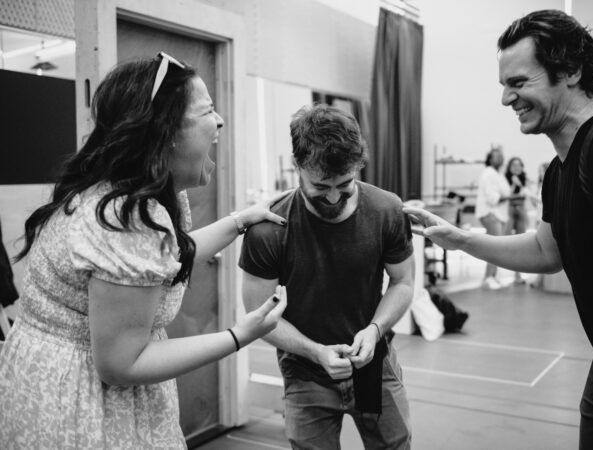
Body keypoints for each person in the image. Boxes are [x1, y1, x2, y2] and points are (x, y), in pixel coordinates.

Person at [404, 9, 593, 449]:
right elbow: (545, 252)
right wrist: (459, 238)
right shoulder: (559, 170)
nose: (506, 99)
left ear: (570, 71)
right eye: (503, 86)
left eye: (518, 83)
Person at [0, 52, 288, 449]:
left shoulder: (121, 192)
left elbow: (167, 261)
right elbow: (123, 363)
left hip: (47, 381)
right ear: (167, 132)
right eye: (208, 111)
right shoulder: (128, 219)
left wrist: (240, 221)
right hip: (83, 407)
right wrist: (242, 335)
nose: (219, 121)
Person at [239, 104, 415, 450]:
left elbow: (403, 282)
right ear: (298, 166)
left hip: (373, 366)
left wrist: (374, 329)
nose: (333, 196)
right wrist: (316, 351)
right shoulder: (268, 230)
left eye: (345, 184)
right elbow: (260, 316)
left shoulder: (387, 210)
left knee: (394, 446)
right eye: (320, 187)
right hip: (306, 373)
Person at [475, 145, 523, 289]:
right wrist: (515, 196)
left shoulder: (499, 174)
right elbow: (493, 198)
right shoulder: (488, 173)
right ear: (490, 159)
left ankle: (492, 276)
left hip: (498, 214)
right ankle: (489, 277)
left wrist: (515, 190)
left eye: (501, 155)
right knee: (494, 248)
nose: (500, 158)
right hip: (490, 213)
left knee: (495, 246)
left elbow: (506, 193)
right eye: (496, 156)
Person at [503, 156, 532, 284]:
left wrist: (520, 186)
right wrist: (514, 184)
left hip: (521, 210)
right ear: (509, 167)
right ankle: (496, 272)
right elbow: (505, 196)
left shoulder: (526, 179)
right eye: (514, 165)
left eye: (519, 165)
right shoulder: (504, 180)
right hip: (509, 210)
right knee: (505, 239)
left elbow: (527, 193)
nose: (517, 167)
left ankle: (518, 274)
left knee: (520, 242)